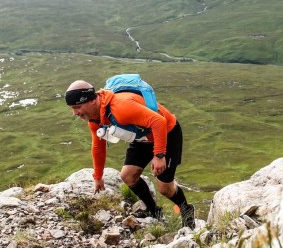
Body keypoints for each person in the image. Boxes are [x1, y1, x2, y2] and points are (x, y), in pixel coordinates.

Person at [64, 79, 196, 229]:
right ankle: (154, 212)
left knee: (164, 188)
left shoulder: (120, 107)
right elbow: (98, 147)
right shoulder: (95, 119)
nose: (75, 113)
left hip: (167, 132)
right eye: (72, 108)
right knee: (127, 176)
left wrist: (159, 155)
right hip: (143, 137)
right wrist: (98, 176)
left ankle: (186, 210)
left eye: (77, 107)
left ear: (92, 101)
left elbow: (159, 122)